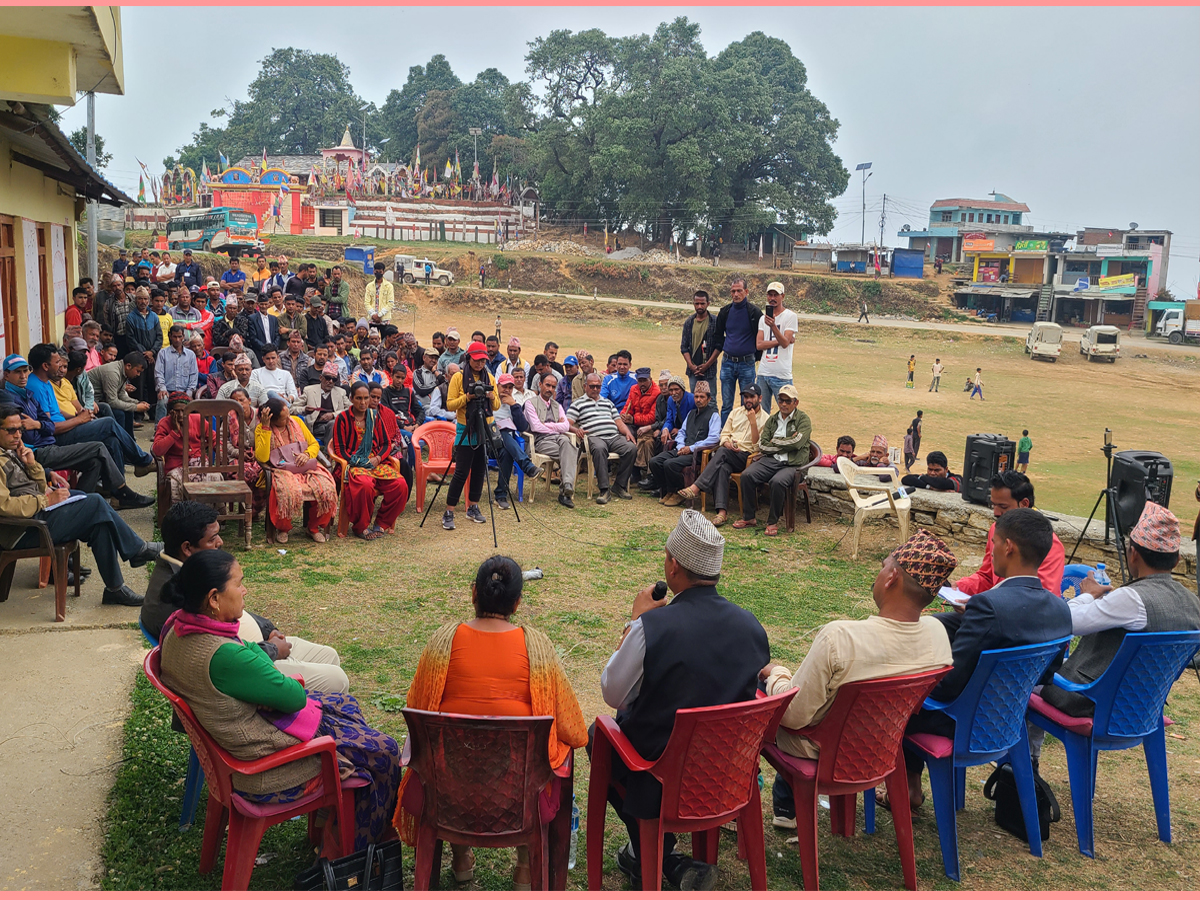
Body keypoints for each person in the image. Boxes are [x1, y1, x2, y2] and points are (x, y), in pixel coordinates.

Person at [156, 549, 400, 850]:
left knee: (344, 706)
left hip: (231, 750)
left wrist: (259, 681)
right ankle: (351, 850)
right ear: (214, 599)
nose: (245, 590)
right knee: (385, 751)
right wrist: (265, 684)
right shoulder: (223, 654)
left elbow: (251, 651)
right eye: (239, 583)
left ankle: (333, 820)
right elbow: (294, 696)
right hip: (264, 769)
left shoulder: (180, 628)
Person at [597, 511, 769, 889]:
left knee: (600, 739)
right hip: (728, 774)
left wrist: (634, 623)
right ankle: (665, 860)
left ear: (673, 566)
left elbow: (613, 693)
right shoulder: (752, 626)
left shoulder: (652, 627)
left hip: (661, 779)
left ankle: (654, 853)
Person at [396, 556, 588, 888]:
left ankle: (460, 860)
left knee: (452, 753)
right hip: (518, 802)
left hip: (446, 796)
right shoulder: (538, 650)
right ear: (517, 602)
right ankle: (525, 872)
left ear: (474, 593)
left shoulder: (442, 643)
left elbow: (417, 707)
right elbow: (574, 731)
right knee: (546, 759)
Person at [761, 531, 957, 828]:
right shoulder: (938, 636)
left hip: (823, 751)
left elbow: (792, 717)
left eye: (882, 566)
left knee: (760, 694)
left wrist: (776, 675)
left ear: (892, 577)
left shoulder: (840, 638)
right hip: (883, 747)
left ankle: (764, 808)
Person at [893, 509, 1072, 810]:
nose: (992, 551)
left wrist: (914, 680)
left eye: (994, 543)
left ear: (1008, 547)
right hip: (1009, 721)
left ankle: (904, 786)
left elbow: (949, 686)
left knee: (897, 701)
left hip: (963, 723)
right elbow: (1046, 675)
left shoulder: (988, 605)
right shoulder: (1060, 610)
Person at [1029, 502, 1200, 767]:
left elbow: (1065, 622)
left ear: (1133, 555)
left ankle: (1024, 767)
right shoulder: (1193, 603)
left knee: (1028, 679)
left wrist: (1086, 595)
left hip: (1098, 703)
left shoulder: (1131, 599)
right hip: (1145, 705)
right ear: (1177, 560)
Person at [0, 403, 161, 606]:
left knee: (98, 523)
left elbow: (36, 487)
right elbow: (4, 506)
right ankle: (138, 550)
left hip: (36, 516)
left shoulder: (11, 451)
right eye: (11, 430)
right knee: (94, 502)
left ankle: (115, 589)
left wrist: (32, 466)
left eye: (20, 430)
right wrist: (46, 500)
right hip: (22, 530)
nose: (17, 435)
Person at [6, 354, 152, 508]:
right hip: (40, 450)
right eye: (17, 372)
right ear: (6, 374)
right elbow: (33, 434)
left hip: (53, 438)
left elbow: (48, 424)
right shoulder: (10, 400)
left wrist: (40, 425)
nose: (23, 376)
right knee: (103, 436)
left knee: (99, 455)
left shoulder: (28, 394)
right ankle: (132, 477)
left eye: (25, 371)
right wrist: (47, 425)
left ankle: (83, 504)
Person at [954, 471, 1065, 597]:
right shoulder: (996, 529)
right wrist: (959, 587)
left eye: (1003, 506)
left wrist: (987, 605)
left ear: (1024, 504)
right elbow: (987, 577)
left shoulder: (1049, 544)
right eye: (993, 505)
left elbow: (1040, 599)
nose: (995, 512)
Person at [676, 384, 767, 527]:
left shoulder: (765, 419)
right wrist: (727, 443)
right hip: (730, 453)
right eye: (746, 396)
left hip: (748, 457)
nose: (748, 400)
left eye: (752, 397)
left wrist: (753, 423)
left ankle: (697, 487)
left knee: (722, 453)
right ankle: (722, 512)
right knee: (723, 467)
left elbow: (758, 447)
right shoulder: (736, 413)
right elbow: (724, 434)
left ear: (760, 398)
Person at [331, 382, 409, 539]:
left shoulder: (374, 417)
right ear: (351, 399)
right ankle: (360, 526)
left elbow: (386, 443)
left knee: (400, 485)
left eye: (366, 398)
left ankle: (381, 523)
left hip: (375, 462)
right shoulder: (343, 419)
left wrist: (378, 458)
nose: (363, 402)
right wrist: (357, 462)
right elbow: (339, 449)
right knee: (365, 485)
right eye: (358, 398)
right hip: (353, 464)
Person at [254, 396, 337, 543]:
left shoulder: (297, 421)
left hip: (305, 467)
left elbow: (313, 444)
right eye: (284, 418)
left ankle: (313, 528)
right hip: (281, 469)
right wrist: (266, 428)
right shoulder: (262, 428)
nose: (289, 420)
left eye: (288, 416)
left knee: (326, 487)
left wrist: (306, 454)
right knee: (285, 490)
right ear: (272, 419)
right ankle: (283, 528)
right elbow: (262, 457)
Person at [733, 383, 812, 537]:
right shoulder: (773, 419)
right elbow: (762, 445)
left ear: (796, 402)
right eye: (781, 400)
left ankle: (772, 522)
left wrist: (775, 441)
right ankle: (749, 518)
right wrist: (786, 442)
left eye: (787, 401)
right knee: (747, 476)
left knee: (777, 482)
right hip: (772, 460)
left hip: (793, 464)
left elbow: (798, 444)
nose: (783, 404)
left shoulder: (803, 420)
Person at [440, 342, 499, 530]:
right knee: (461, 472)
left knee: (480, 470)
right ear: (469, 358)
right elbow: (450, 405)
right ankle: (449, 510)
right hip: (465, 427)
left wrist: (490, 397)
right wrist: (468, 397)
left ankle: (473, 506)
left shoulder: (489, 377)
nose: (480, 363)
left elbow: (496, 406)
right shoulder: (458, 377)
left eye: (483, 360)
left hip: (484, 427)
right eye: (476, 360)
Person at [569, 372, 637, 504]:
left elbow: (618, 422)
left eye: (598, 386)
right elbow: (567, 423)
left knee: (631, 448)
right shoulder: (578, 404)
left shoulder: (608, 402)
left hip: (613, 436)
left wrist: (627, 433)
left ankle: (619, 485)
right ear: (585, 386)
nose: (595, 389)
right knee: (600, 449)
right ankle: (604, 490)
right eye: (592, 386)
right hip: (593, 437)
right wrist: (577, 430)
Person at [652, 381, 719, 506]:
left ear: (709, 399)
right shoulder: (691, 413)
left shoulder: (714, 416)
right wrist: (681, 446)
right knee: (655, 462)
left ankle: (678, 493)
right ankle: (668, 490)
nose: (698, 400)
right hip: (682, 449)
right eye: (696, 397)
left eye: (702, 397)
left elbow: (714, 438)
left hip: (697, 453)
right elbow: (682, 432)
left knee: (669, 464)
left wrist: (691, 448)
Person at [524, 370, 579, 509]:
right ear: (540, 384)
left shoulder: (557, 405)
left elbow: (566, 425)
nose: (550, 389)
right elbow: (536, 427)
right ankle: (565, 491)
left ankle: (566, 486)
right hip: (540, 441)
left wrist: (547, 425)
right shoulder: (530, 403)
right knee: (570, 451)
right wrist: (557, 426)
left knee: (567, 445)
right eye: (547, 385)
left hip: (558, 439)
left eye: (553, 387)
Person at [152, 392, 221, 501]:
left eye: (183, 411)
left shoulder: (197, 419)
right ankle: (184, 513)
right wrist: (174, 432)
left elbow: (215, 439)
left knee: (214, 477)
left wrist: (220, 452)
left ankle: (210, 513)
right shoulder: (164, 423)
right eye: (176, 411)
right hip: (176, 466)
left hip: (199, 462)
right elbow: (157, 450)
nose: (180, 415)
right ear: (170, 412)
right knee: (179, 481)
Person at [712, 278, 762, 424]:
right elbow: (718, 336)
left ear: (746, 292)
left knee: (746, 404)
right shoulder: (725, 312)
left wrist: (754, 357)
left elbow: (761, 336)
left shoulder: (754, 313)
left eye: (739, 291)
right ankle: (725, 435)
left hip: (747, 364)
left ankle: (742, 434)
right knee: (727, 404)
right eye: (733, 291)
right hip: (727, 362)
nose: (736, 294)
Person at [492, 373, 541, 512]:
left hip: (505, 445)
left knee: (507, 450)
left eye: (510, 387)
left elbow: (523, 427)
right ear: (497, 386)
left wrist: (514, 405)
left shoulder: (513, 405)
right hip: (489, 442)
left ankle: (501, 496)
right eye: (504, 387)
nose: (506, 390)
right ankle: (527, 466)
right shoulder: (490, 401)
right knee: (502, 432)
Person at [755, 282, 798, 413]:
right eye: (770, 295)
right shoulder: (763, 319)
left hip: (781, 373)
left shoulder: (790, 316)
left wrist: (773, 326)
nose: (772, 298)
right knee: (762, 412)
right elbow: (759, 345)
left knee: (787, 411)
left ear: (782, 296)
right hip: (763, 372)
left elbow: (785, 344)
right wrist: (780, 340)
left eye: (776, 295)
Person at [88, 352, 152, 435]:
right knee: (120, 414)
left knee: (129, 411)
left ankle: (129, 440)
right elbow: (112, 402)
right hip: (92, 402)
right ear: (128, 366)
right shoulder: (113, 373)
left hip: (102, 400)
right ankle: (120, 439)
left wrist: (138, 402)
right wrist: (136, 407)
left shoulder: (122, 370)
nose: (138, 375)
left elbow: (121, 395)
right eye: (137, 371)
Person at [153, 325, 198, 421]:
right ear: (170, 336)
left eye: (179, 336)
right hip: (168, 390)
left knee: (190, 404)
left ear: (183, 337)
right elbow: (158, 373)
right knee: (162, 401)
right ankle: (158, 430)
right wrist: (162, 388)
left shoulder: (190, 355)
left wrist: (189, 392)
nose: (177, 340)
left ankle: (186, 431)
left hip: (184, 391)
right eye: (175, 337)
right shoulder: (163, 353)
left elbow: (193, 375)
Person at [680, 290, 719, 392]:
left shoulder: (714, 322)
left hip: (709, 370)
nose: (699, 306)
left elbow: (719, 346)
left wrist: (707, 365)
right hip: (693, 371)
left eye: (702, 303)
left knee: (711, 400)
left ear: (708, 304)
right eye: (697, 304)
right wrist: (691, 366)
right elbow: (684, 347)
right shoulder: (689, 322)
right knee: (695, 399)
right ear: (693, 304)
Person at [302, 361, 348, 446]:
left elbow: (351, 409)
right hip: (316, 426)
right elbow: (293, 408)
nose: (330, 381)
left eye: (333, 379)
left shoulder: (341, 392)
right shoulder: (309, 390)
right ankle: (329, 455)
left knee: (333, 424)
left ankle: (328, 455)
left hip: (336, 426)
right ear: (320, 378)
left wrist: (333, 414)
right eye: (327, 378)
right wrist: (305, 409)